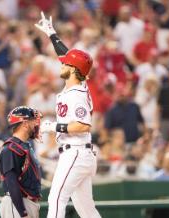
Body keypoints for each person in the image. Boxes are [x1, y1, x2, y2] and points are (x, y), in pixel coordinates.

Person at [35, 12, 101, 218]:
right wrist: (52, 34)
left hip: (76, 151)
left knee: (56, 198)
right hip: (77, 152)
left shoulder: (77, 93)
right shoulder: (78, 83)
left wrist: (52, 126)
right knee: (86, 209)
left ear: (73, 70)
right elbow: (66, 55)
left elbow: (83, 125)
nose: (61, 64)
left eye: (66, 64)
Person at [0, 106, 42, 218]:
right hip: (17, 204)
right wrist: (23, 213)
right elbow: (11, 182)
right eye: (32, 121)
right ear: (25, 124)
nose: (35, 125)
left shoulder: (25, 146)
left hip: (28, 203)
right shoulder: (10, 149)